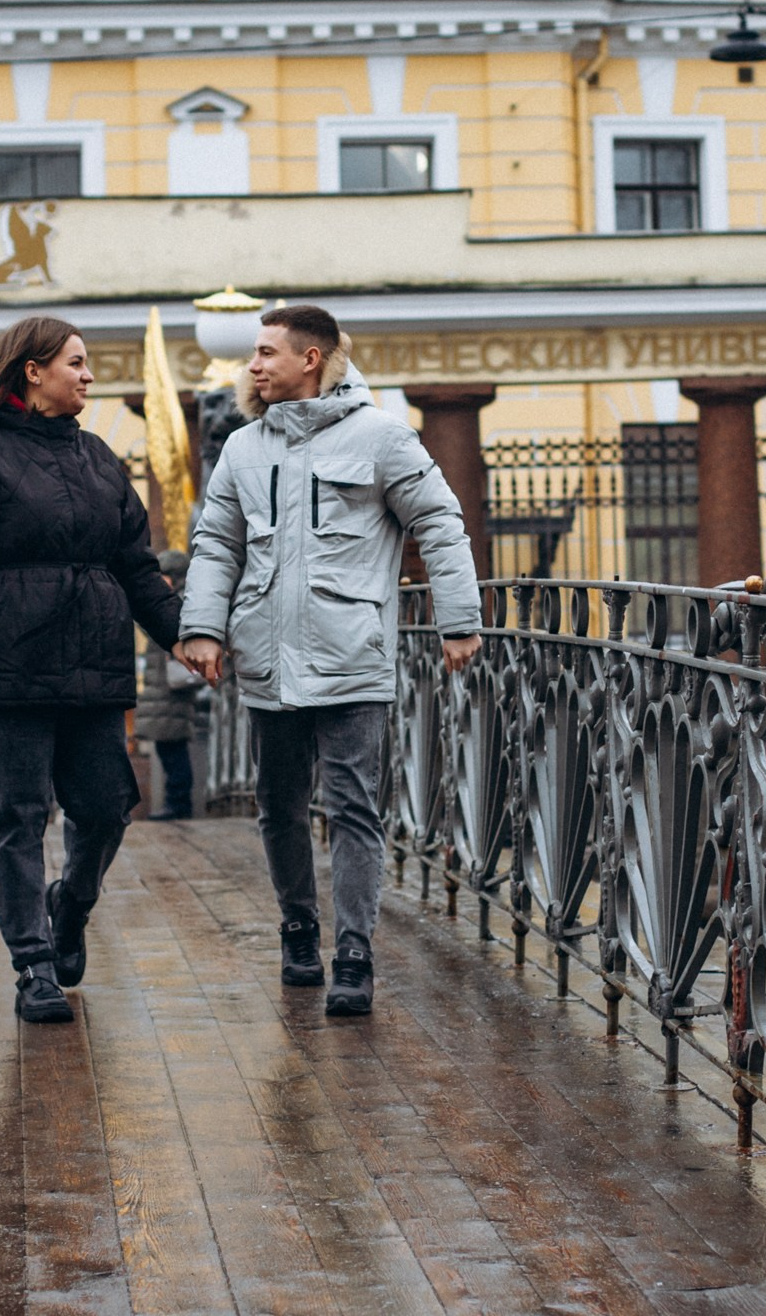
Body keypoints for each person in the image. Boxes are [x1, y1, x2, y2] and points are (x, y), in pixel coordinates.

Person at [177, 304, 483, 1016]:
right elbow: (216, 544)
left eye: (264, 353)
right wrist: (203, 628)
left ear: (309, 359)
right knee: (279, 808)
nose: (251, 366)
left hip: (352, 659)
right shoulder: (243, 448)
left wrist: (459, 619)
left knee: (352, 809)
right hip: (266, 663)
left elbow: (438, 520)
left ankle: (354, 954)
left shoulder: (380, 438)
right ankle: (297, 928)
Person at [0, 316, 182, 1024]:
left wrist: (185, 636)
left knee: (104, 808)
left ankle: (72, 906)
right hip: (9, 663)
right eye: (78, 362)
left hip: (93, 663)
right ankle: (33, 965)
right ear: (34, 371)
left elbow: (136, 566)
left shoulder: (99, 458)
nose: (89, 375)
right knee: (17, 819)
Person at [136, 549, 201, 819]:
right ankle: (176, 803)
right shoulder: (174, 601)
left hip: (170, 691)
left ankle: (178, 804)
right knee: (168, 747)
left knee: (173, 748)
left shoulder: (180, 602)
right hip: (162, 690)